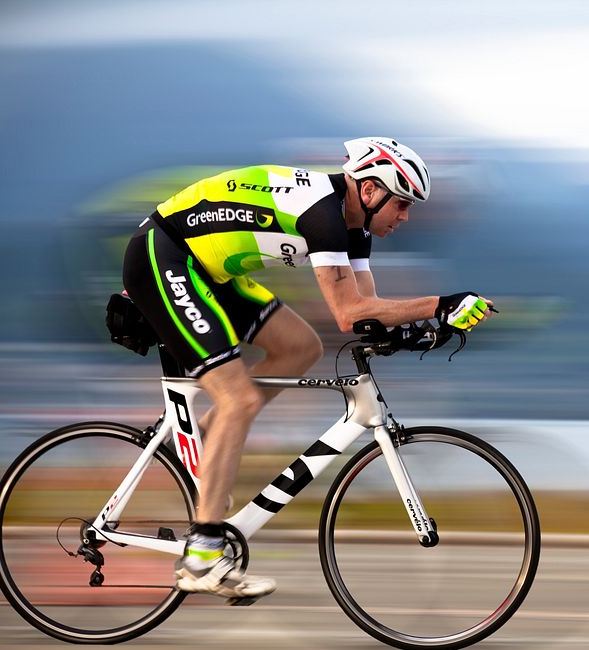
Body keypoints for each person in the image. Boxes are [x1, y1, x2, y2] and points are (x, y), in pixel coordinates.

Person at [121, 137, 493, 602]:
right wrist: (441, 304)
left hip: (210, 270)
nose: (405, 216)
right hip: (166, 257)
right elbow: (347, 313)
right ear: (372, 191)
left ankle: (203, 459)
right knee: (239, 398)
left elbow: (367, 312)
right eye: (401, 204)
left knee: (300, 347)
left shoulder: (355, 228)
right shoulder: (324, 215)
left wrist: (414, 331)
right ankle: (201, 557)